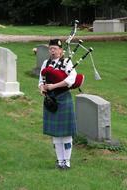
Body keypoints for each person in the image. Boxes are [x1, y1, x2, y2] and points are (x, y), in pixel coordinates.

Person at [38, 39, 77, 169]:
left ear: (61, 50)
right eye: (51, 49)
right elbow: (40, 80)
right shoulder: (46, 63)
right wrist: (42, 88)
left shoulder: (67, 62)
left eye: (55, 49)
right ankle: (60, 161)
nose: (52, 51)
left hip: (63, 97)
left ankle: (67, 161)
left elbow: (71, 79)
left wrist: (54, 86)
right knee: (55, 134)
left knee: (66, 133)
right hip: (51, 99)